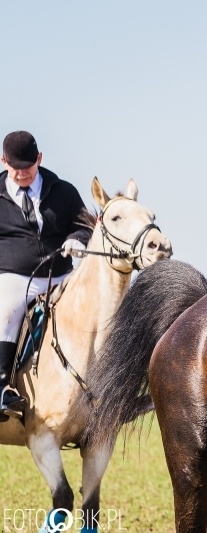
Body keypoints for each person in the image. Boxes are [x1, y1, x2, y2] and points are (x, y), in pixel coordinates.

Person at [0, 131, 90, 418]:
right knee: (7, 312)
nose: (22, 173)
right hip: (13, 277)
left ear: (39, 159)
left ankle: (113, 387)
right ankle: (2, 387)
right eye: (16, 167)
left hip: (61, 276)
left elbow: (86, 226)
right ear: (3, 161)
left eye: (28, 166)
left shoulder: (63, 191)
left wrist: (78, 238)